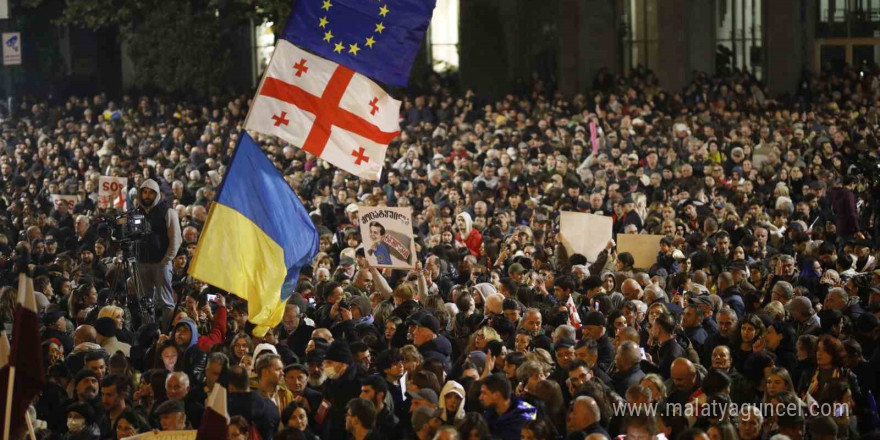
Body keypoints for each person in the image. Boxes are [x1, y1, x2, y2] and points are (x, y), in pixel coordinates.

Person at [134, 178, 182, 322]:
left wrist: (165, 259)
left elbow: (176, 239)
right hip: (142, 263)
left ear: (157, 194)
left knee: (165, 302)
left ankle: (166, 332)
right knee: (145, 302)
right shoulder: (137, 212)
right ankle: (148, 332)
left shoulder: (168, 212)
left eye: (150, 193)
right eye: (145, 193)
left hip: (161, 263)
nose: (147, 196)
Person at [479, 373, 537, 440]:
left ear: (496, 395)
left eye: (484, 393)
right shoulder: (489, 412)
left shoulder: (525, 415)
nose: (480, 397)